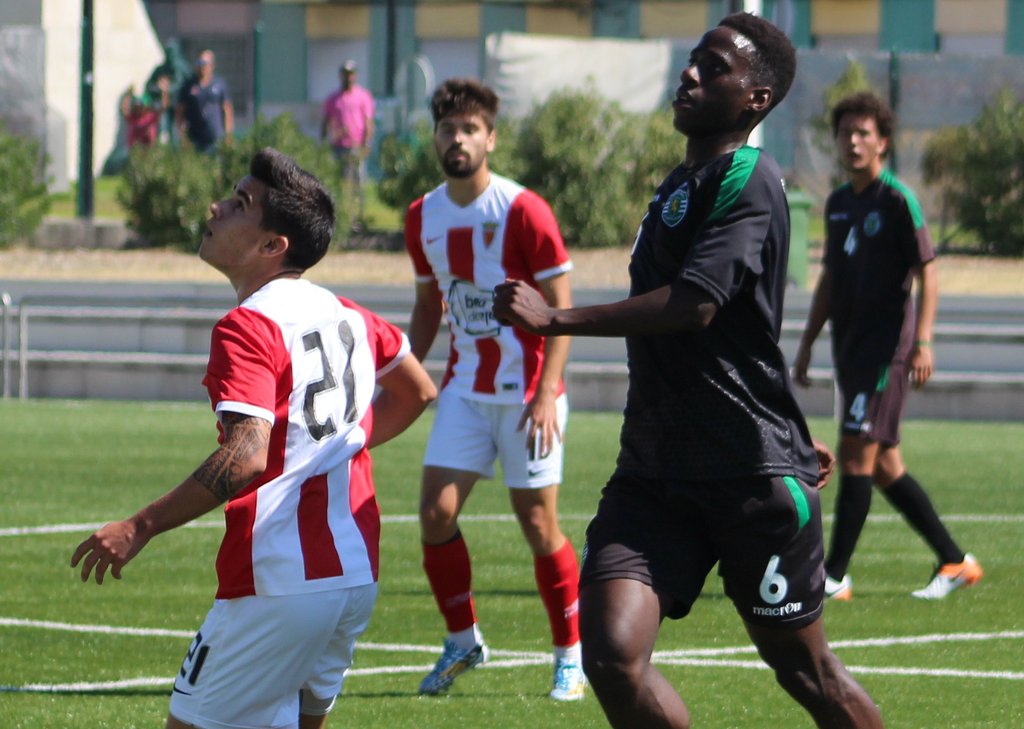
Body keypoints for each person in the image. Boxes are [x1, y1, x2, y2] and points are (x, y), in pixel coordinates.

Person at [494, 13, 884, 729]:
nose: (690, 73)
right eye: (692, 59)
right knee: (611, 654)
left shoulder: (749, 176)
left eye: (714, 66)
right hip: (655, 471)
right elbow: (732, 335)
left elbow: (697, 305)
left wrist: (555, 319)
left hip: (747, 477)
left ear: (756, 98)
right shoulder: (681, 182)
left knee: (807, 672)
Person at [70, 148, 437, 729]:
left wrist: (139, 526)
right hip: (353, 576)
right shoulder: (348, 314)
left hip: (276, 582)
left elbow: (246, 456)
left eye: (240, 203)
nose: (216, 207)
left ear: (272, 245)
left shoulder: (247, 327)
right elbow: (418, 391)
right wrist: (339, 442)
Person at [404, 78, 584, 701]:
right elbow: (428, 305)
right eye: (447, 129)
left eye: (470, 129)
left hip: (530, 393)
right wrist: (405, 371)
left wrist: (547, 391)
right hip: (465, 388)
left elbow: (561, 307)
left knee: (538, 525)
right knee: (435, 514)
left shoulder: (523, 210)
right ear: (435, 138)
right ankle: (463, 641)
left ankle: (569, 655)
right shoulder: (422, 216)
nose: (457, 139)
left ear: (491, 139)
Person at [793, 91, 982, 602]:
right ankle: (955, 561)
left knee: (855, 458)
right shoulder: (837, 203)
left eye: (863, 133)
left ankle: (833, 575)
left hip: (886, 354)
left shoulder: (897, 200)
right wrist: (807, 342)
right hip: (850, 351)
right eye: (845, 133)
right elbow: (830, 279)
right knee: (884, 467)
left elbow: (928, 271)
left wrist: (923, 341)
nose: (852, 142)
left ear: (883, 143)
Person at [320, 60, 375, 232]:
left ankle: (358, 217)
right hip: (339, 147)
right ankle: (341, 216)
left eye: (350, 74)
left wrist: (366, 143)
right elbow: (325, 124)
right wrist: (324, 144)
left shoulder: (363, 96)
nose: (348, 77)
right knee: (340, 184)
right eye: (345, 74)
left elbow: (368, 122)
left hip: (356, 147)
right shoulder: (333, 99)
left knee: (358, 183)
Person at [175, 49, 234, 153]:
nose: (202, 66)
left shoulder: (219, 85)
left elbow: (227, 110)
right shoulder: (188, 85)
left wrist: (228, 136)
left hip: (216, 141)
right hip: (194, 141)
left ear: (212, 65)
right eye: (199, 63)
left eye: (205, 63)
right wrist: (182, 136)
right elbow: (180, 112)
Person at [120, 74, 171, 148]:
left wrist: (164, 91)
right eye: (136, 107)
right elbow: (124, 108)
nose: (138, 109)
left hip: (148, 147)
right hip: (135, 148)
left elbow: (164, 107)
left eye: (141, 106)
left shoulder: (150, 116)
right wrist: (129, 93)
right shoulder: (132, 117)